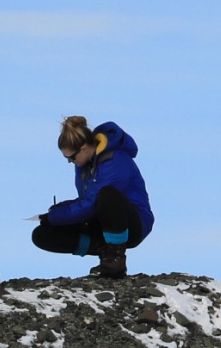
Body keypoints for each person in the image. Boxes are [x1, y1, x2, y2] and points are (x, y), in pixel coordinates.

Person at [33, 117, 155, 279]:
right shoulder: (85, 165)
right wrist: (57, 211)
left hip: (132, 224)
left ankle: (115, 258)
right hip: (101, 218)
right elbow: (87, 200)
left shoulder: (116, 159)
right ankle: (103, 250)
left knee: (107, 195)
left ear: (83, 148)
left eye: (71, 157)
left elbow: (95, 202)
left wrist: (56, 217)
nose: (70, 162)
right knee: (42, 235)